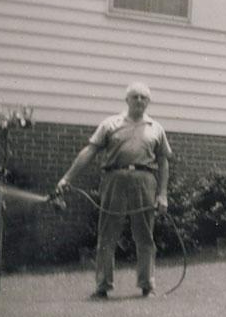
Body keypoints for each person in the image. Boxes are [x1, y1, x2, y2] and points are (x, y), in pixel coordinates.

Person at [57, 82, 172, 299]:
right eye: (135, 97)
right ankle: (102, 287)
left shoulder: (156, 128)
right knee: (107, 235)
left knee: (145, 235)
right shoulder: (110, 124)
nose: (139, 101)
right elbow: (89, 151)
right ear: (127, 100)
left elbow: (164, 162)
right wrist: (67, 178)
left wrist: (163, 194)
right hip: (114, 179)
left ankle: (147, 286)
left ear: (148, 102)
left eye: (143, 98)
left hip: (145, 179)